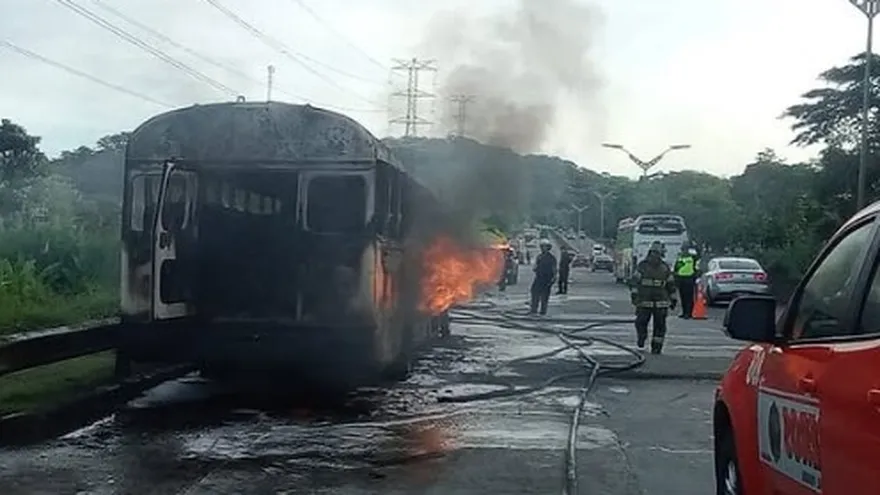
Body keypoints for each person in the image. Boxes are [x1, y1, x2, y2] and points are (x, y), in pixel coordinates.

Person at [629, 241, 678, 354]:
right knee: (641, 323)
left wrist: (673, 298)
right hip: (644, 302)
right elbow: (634, 282)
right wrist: (635, 294)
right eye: (654, 254)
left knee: (660, 326)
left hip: (660, 303)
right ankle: (642, 337)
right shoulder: (643, 266)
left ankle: (657, 346)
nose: (655, 257)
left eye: (658, 254)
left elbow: (671, 285)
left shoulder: (664, 267)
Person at [529, 239, 557, 315]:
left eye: (544, 246)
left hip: (547, 279)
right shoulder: (539, 257)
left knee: (544, 296)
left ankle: (543, 311)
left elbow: (554, 268)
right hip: (539, 278)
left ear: (548, 247)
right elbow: (536, 267)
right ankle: (534, 309)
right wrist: (535, 269)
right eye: (542, 246)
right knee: (534, 292)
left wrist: (554, 278)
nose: (542, 248)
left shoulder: (551, 258)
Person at [673, 245, 698, 318]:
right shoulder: (680, 257)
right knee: (682, 297)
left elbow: (696, 267)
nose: (684, 251)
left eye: (685, 249)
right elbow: (676, 267)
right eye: (683, 249)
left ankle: (689, 313)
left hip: (689, 279)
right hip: (681, 279)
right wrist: (675, 276)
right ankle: (684, 312)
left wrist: (695, 276)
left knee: (689, 298)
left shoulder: (693, 257)